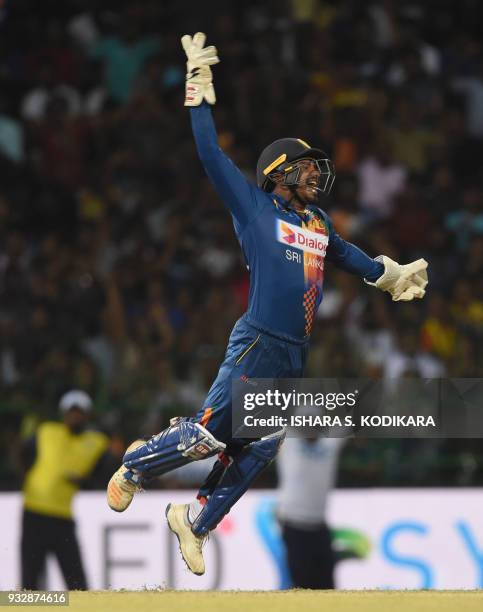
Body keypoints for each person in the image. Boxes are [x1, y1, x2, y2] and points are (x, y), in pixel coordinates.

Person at [106, 32, 428, 576]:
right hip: (257, 339)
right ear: (278, 173)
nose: (315, 173)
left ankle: (195, 519)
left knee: (261, 445)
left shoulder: (318, 224)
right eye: (305, 166)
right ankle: (136, 464)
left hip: (294, 353)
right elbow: (209, 154)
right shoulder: (255, 209)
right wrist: (199, 89)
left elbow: (348, 256)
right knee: (210, 435)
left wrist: (388, 276)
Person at [20, 390, 109, 590]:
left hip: (62, 518)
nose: (75, 416)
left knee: (78, 585)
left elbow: (103, 475)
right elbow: (23, 454)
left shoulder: (96, 442)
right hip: (34, 513)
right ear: (63, 413)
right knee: (30, 583)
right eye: (72, 412)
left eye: (79, 412)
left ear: (87, 416)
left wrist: (84, 481)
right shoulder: (46, 432)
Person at [277, 432, 345, 589]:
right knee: (302, 586)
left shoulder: (330, 443)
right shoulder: (289, 441)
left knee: (328, 586)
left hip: (319, 526)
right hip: (294, 526)